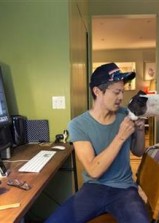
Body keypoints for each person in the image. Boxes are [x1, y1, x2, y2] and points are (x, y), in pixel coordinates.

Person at [45, 63, 149, 223]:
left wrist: (140, 131)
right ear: (97, 91)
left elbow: (138, 151)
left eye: (122, 91)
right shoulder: (78, 125)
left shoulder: (125, 115)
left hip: (125, 189)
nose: (121, 97)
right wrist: (120, 137)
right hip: (94, 189)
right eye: (116, 92)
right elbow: (94, 171)